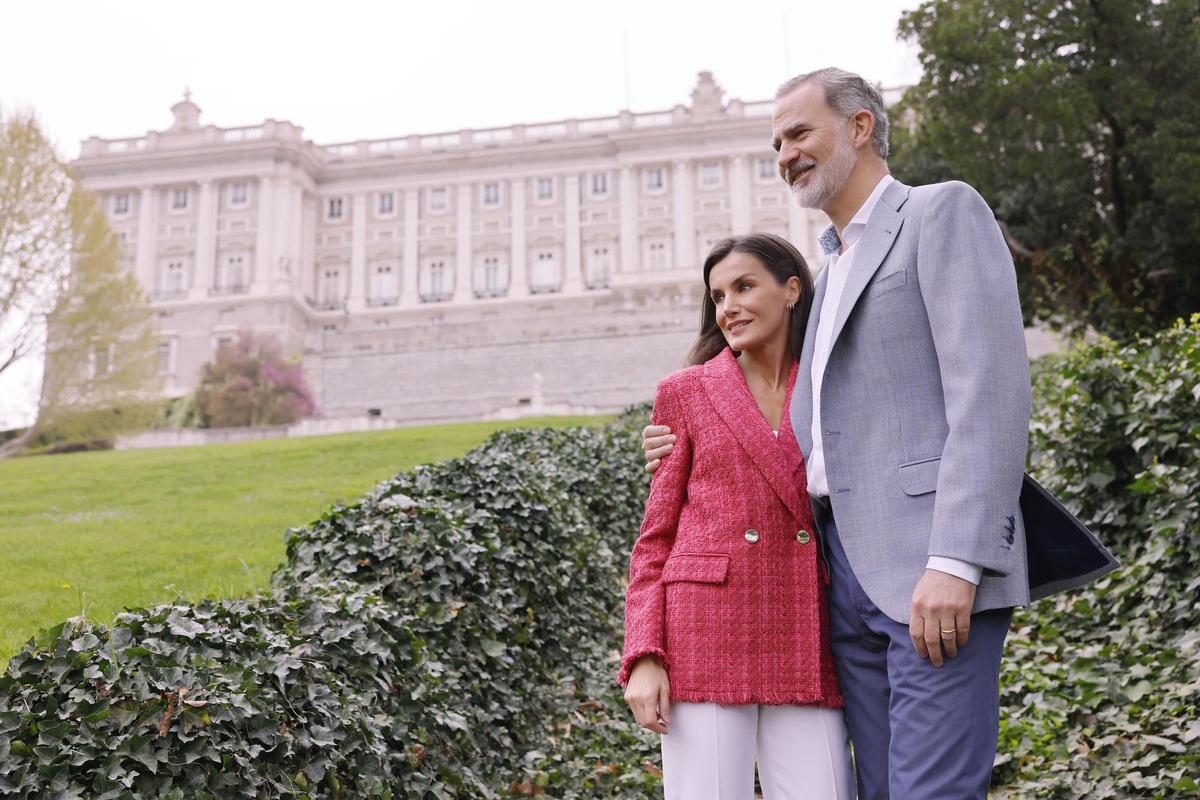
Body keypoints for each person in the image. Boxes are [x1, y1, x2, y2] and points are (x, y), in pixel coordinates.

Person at [643, 67, 1031, 799]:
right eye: (776, 142)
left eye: (798, 133)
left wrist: (956, 559)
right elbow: (812, 423)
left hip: (927, 563)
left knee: (932, 791)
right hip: (840, 580)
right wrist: (680, 440)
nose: (785, 153)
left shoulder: (939, 213)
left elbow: (991, 395)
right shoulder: (829, 269)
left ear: (859, 127)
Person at [620, 233, 855, 799]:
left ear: (792, 289)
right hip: (703, 630)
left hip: (805, 627)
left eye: (745, 286)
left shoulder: (833, 383)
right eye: (718, 295)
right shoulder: (685, 392)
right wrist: (644, 655)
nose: (729, 306)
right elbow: (656, 538)